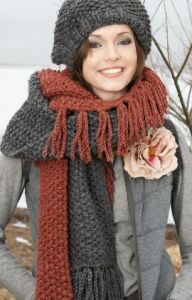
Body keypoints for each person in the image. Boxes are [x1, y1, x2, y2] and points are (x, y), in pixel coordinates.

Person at [0, 0, 192, 299]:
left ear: (138, 47)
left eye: (124, 40)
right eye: (95, 43)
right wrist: (34, 293)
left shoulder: (163, 131)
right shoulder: (36, 129)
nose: (112, 55)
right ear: (73, 52)